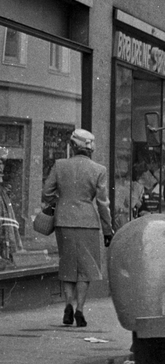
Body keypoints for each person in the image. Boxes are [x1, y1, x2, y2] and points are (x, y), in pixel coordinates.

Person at [41, 128, 113, 328]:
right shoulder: (99, 170)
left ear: (72, 146)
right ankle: (80, 309)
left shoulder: (60, 165)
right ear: (91, 149)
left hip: (63, 221)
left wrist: (61, 201)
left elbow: (47, 192)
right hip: (88, 223)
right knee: (85, 268)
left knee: (68, 265)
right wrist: (108, 230)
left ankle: (67, 305)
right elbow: (102, 203)